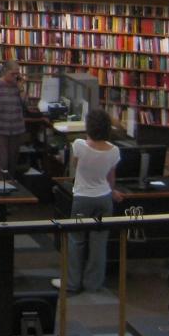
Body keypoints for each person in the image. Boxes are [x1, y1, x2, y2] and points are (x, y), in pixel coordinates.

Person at [52, 108, 122, 295]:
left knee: (76, 240)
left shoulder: (79, 145)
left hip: (82, 198)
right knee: (99, 243)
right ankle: (93, 284)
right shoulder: (114, 151)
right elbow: (111, 177)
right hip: (104, 198)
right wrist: (113, 191)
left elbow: (75, 165)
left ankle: (72, 282)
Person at [0, 60, 27, 180]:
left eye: (17, 74)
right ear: (5, 72)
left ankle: (11, 188)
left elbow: (26, 105)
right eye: (12, 74)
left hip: (16, 131)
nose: (15, 76)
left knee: (12, 165)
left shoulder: (18, 87)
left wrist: (21, 88)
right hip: (0, 132)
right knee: (0, 164)